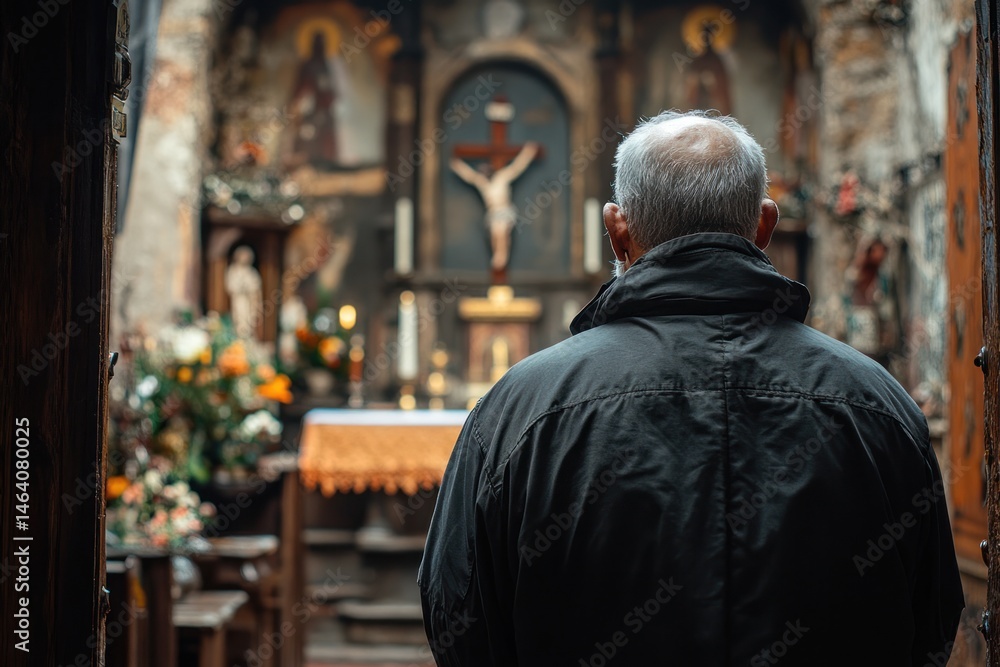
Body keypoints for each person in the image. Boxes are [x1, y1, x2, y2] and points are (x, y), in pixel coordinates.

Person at [418, 110, 964, 666]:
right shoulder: (879, 404)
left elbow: (458, 622)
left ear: (616, 228)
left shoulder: (519, 410)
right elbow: (933, 621)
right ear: (764, 226)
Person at [450, 142, 539, 275]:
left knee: (500, 232)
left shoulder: (502, 178)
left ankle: (501, 256)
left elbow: (517, 167)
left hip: (504, 210)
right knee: (494, 235)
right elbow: (469, 175)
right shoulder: (483, 183)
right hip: (493, 213)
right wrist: (457, 166)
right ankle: (497, 255)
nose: (484, 175)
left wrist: (527, 153)